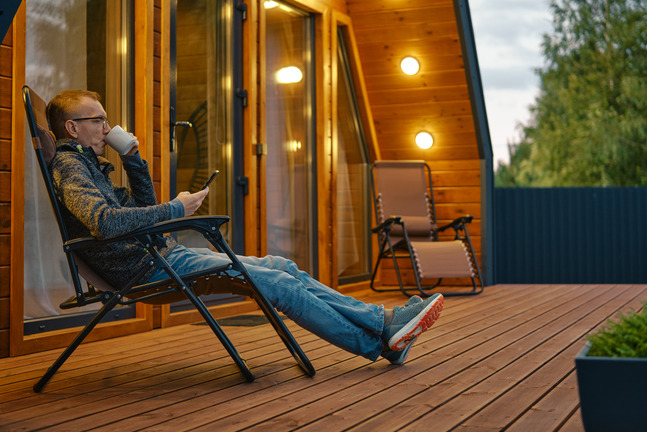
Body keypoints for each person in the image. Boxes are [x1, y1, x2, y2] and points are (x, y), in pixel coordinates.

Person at [45, 89, 443, 364]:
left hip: (161, 256)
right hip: (147, 269)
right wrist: (176, 208)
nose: (105, 126)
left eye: (106, 119)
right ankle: (379, 340)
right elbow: (104, 222)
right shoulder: (69, 166)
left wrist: (133, 157)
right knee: (277, 284)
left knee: (282, 267)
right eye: (98, 120)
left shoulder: (93, 167)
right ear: (72, 128)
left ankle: (383, 328)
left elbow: (143, 210)